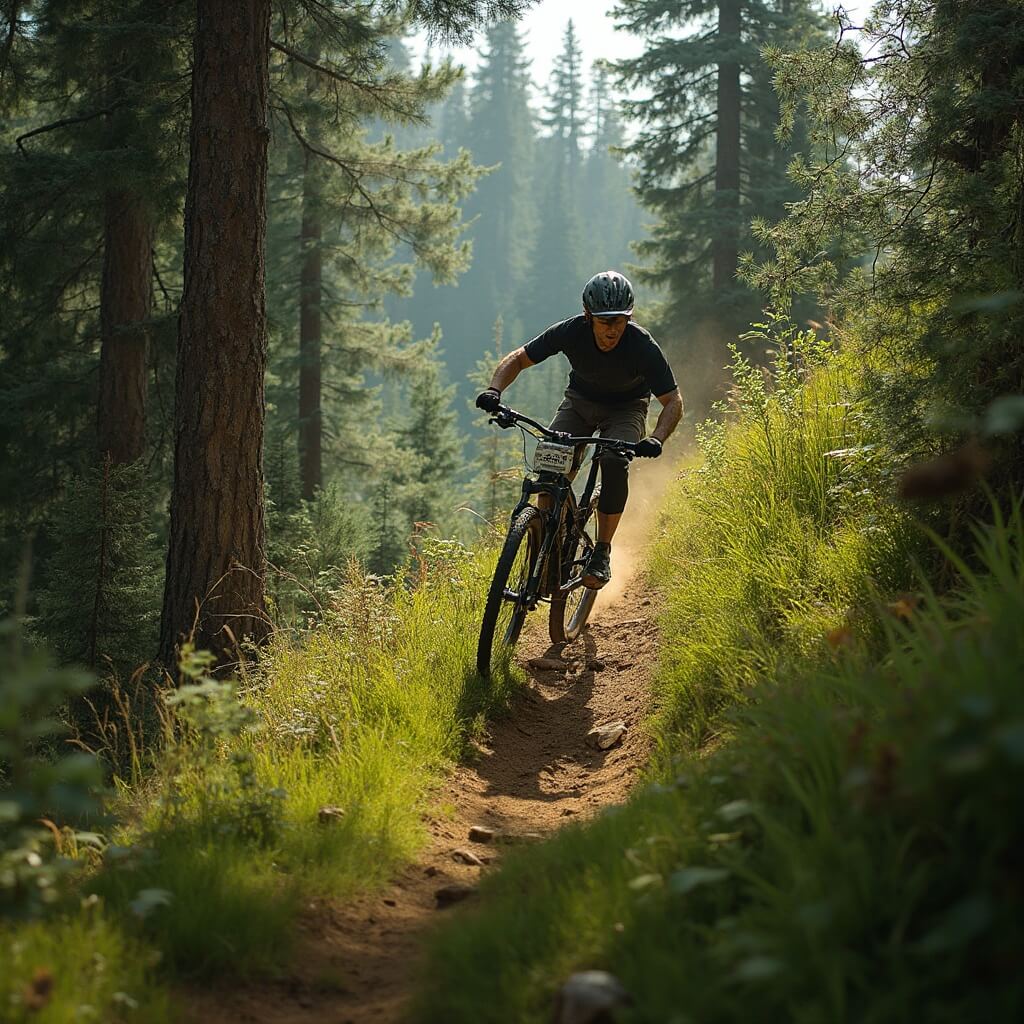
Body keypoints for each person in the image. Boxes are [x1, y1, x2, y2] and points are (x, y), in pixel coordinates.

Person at [475, 270, 683, 589]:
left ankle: (601, 551)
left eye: (620, 320)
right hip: (580, 402)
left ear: (629, 317)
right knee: (548, 467)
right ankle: (547, 546)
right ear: (588, 316)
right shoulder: (571, 331)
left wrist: (656, 438)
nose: (613, 329)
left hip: (626, 409)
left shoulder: (642, 346)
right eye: (605, 321)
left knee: (614, 462)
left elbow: (673, 401)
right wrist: (494, 391)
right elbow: (518, 359)